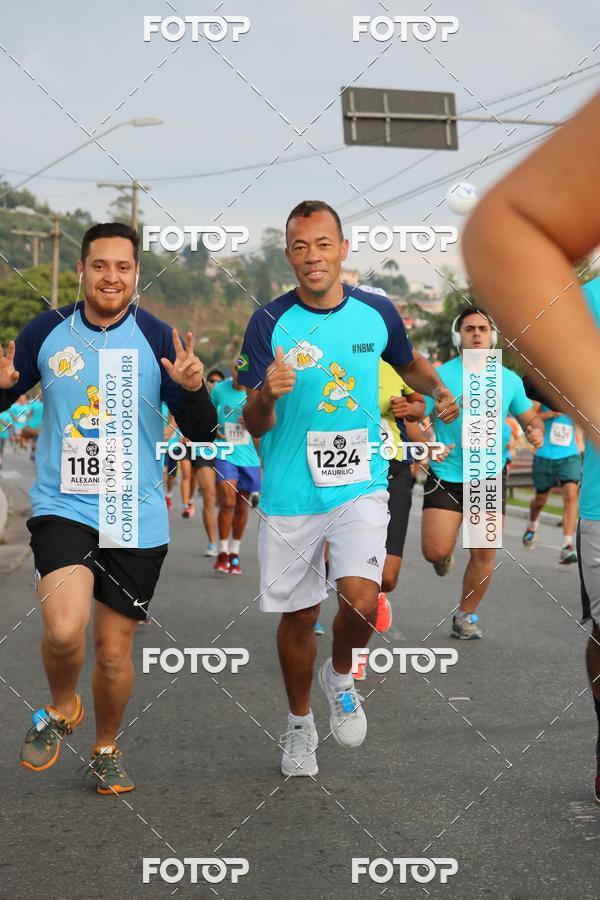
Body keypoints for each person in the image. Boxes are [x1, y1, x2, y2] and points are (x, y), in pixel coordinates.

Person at [238, 200, 458, 776]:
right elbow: (252, 421)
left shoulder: (376, 313)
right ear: (288, 254)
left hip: (358, 479)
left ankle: (340, 677)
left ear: (343, 247)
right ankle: (298, 725)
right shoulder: (267, 323)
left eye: (324, 244)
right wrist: (266, 393)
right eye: (301, 247)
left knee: (362, 597)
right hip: (289, 490)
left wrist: (436, 390)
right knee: (297, 615)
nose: (314, 257)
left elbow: (407, 364)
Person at [0, 222, 216, 795]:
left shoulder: (158, 336)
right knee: (66, 630)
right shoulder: (47, 330)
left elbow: (205, 433)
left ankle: (105, 748)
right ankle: (63, 704)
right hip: (63, 504)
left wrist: (194, 390)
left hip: (134, 513)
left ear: (137, 275)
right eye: (100, 265)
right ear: (81, 270)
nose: (111, 277)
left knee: (114, 652)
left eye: (123, 267)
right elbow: (7, 392)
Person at [462, 90, 600, 802]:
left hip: (512, 468)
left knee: (518, 518)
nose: (479, 339)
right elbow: (507, 229)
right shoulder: (590, 303)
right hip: (457, 471)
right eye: (475, 331)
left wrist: (522, 423)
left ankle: (472, 603)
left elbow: (523, 407)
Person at [420, 307, 544, 640]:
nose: (476, 333)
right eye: (469, 328)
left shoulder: (509, 380)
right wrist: (426, 443)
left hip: (487, 476)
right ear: (457, 336)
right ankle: (442, 557)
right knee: (433, 550)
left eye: (483, 329)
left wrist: (535, 431)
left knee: (484, 551)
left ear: (492, 337)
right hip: (447, 473)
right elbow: (418, 419)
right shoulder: (438, 376)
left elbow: (530, 418)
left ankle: (466, 615)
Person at [520, 380, 581, 564]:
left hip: (569, 454)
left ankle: (567, 545)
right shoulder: (544, 389)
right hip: (544, 454)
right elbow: (529, 418)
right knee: (540, 500)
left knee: (571, 494)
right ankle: (532, 527)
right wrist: (549, 414)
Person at [211, 360, 262, 574]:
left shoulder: (257, 391)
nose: (240, 375)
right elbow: (207, 413)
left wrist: (252, 420)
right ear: (231, 372)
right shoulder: (220, 390)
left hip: (249, 456)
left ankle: (235, 552)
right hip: (225, 451)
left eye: (244, 371)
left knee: (242, 506)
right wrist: (213, 431)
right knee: (228, 500)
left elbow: (264, 424)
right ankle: (222, 551)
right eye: (236, 370)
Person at [197, 368, 225, 556]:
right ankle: (212, 543)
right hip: (204, 451)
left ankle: (226, 542)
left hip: (227, 452)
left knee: (225, 500)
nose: (214, 383)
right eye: (211, 380)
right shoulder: (201, 400)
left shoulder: (229, 399)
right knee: (209, 494)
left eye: (218, 381)